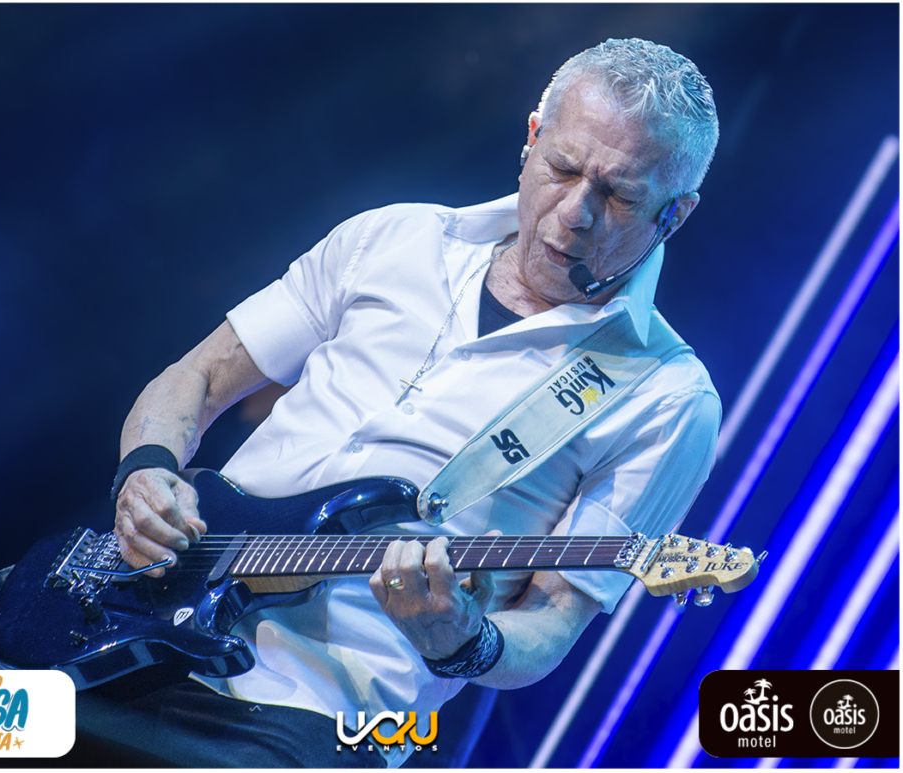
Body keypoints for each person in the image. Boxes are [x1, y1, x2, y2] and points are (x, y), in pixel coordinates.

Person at [106, 37, 721, 768]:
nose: (574, 214)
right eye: (561, 168)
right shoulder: (396, 236)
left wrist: (463, 640)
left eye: (619, 196)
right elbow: (201, 376)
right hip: (131, 619)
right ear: (530, 138)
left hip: (311, 714)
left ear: (674, 214)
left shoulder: (666, 396)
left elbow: (552, 622)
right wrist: (145, 473)